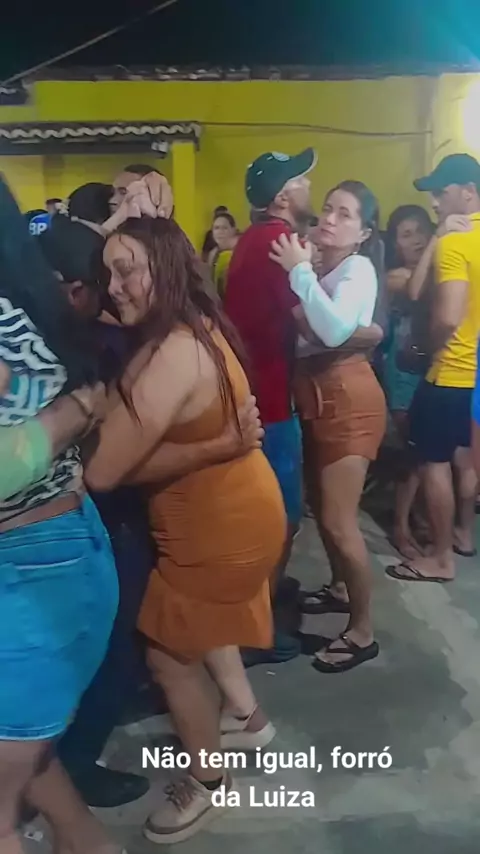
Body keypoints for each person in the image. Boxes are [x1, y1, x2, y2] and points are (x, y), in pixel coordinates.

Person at [83, 215, 285, 844]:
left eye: (127, 270)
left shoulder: (176, 351)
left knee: (169, 656)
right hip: (229, 510)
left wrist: (213, 446)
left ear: (166, 270)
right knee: (196, 636)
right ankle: (245, 720)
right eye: (107, 273)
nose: (114, 286)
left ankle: (208, 784)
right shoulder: (182, 328)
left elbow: (101, 471)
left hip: (219, 523)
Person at [0, 177, 121, 854]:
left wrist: (61, 421)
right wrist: (69, 416)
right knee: (31, 754)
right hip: (64, 545)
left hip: (29, 570)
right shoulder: (31, 308)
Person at [270, 180, 387, 674]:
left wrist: (298, 272)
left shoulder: (356, 269)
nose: (331, 219)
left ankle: (362, 632)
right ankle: (341, 589)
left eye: (346, 214)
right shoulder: (327, 268)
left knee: (339, 521)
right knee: (325, 511)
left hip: (348, 402)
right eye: (329, 209)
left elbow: (334, 330)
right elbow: (319, 334)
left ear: (363, 233)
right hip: (321, 399)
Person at [225, 150, 317, 662]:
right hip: (272, 403)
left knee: (268, 515)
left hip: (257, 393)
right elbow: (314, 326)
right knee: (281, 518)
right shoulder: (280, 244)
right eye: (303, 180)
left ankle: (259, 605)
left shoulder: (252, 239)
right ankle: (253, 629)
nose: (311, 187)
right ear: (283, 197)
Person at [387, 153, 480, 583]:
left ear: (469, 192)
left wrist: (422, 348)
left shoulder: (455, 243)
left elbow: (445, 316)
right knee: (463, 459)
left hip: (450, 370)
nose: (437, 203)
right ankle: (461, 535)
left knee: (432, 462)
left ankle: (441, 558)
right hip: (474, 375)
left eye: (443, 193)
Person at [383, 205, 436, 558]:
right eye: (406, 234)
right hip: (401, 371)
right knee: (413, 451)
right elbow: (420, 288)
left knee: (425, 450)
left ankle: (416, 515)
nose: (416, 239)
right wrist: (439, 241)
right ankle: (401, 526)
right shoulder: (395, 276)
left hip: (429, 365)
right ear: (395, 244)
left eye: (420, 231)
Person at [210, 211, 239, 297]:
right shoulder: (213, 253)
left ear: (233, 230)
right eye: (216, 228)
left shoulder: (239, 251)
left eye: (224, 228)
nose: (220, 232)